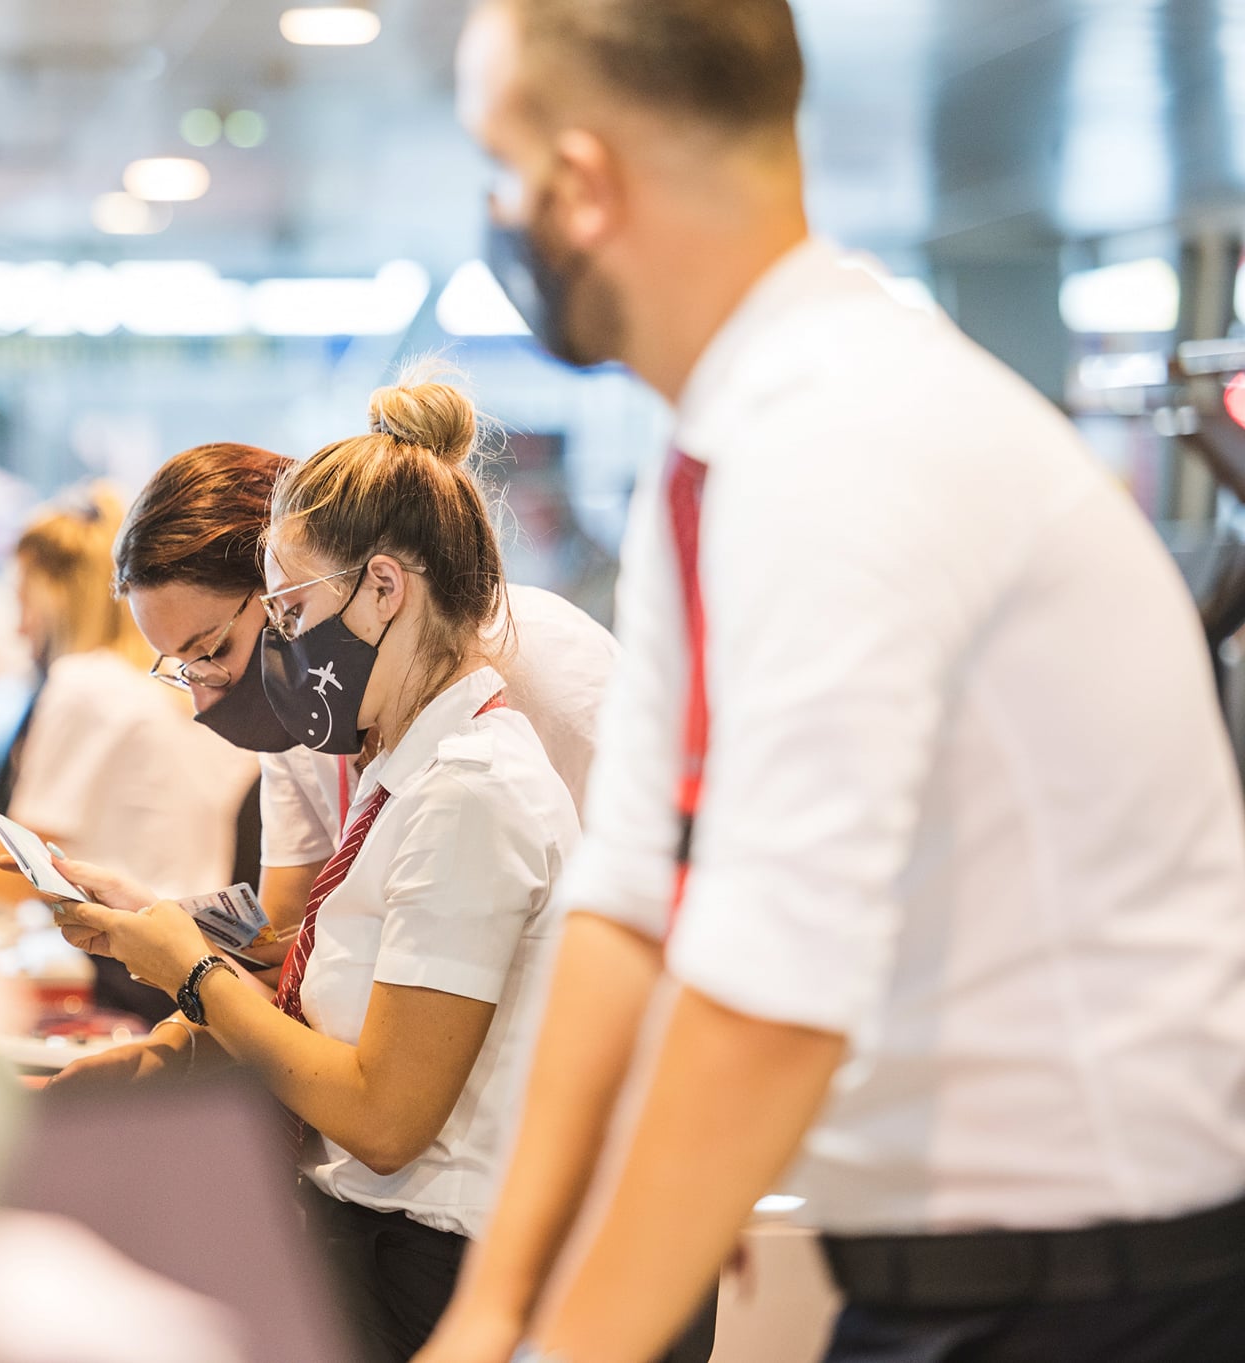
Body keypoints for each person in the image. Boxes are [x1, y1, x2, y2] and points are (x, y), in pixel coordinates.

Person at [419, 4, 1245, 1363]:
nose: (499, 214)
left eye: (497, 166)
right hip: (964, 1278)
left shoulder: (846, 440)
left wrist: (567, 1343)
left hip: (1096, 1289)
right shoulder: (732, 444)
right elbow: (627, 905)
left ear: (580, 183)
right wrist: (495, 1306)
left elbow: (768, 987)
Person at [44, 374, 576, 1363]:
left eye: (285, 615)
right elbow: (304, 959)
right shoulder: (398, 767)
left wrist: (193, 972)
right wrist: (168, 968)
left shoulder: (471, 783)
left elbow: (383, 1114)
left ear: (383, 588)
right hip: (382, 1235)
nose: (275, 657)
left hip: (441, 1254)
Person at [49, 436, 616, 1083]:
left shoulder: (541, 680)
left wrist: (188, 968)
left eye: (212, 649)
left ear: (287, 579)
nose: (204, 695)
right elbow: (292, 949)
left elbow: (628, 930)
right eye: (183, 669)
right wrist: (160, 931)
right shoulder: (311, 723)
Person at [6, 484, 260, 1018]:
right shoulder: (201, 691)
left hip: (135, 963)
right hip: (216, 956)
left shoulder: (86, 683)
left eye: (22, 598)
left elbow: (26, 867)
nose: (16, 624)